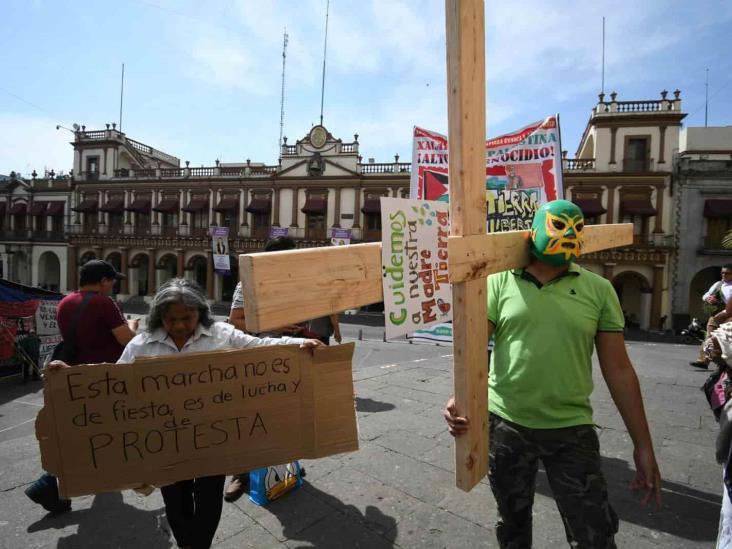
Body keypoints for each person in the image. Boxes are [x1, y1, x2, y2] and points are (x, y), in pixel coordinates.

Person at [443, 199, 661, 549]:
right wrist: (460, 396)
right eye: (559, 226)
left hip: (572, 430)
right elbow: (473, 350)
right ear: (532, 233)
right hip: (506, 424)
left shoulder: (599, 290)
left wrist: (644, 446)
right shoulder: (499, 283)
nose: (568, 235)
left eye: (576, 229)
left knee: (594, 534)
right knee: (512, 524)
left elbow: (619, 371)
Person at [115, 278, 323, 549]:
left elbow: (259, 348)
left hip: (213, 438)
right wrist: (67, 376)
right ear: (159, 317)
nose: (179, 326)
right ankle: (187, 544)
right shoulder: (142, 344)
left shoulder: (224, 335)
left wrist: (298, 346)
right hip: (165, 442)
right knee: (174, 497)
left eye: (186, 318)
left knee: (208, 494)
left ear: (200, 313)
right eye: (171, 319)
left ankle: (199, 545)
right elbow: (113, 381)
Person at [25, 259, 137, 514]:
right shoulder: (103, 302)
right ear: (103, 281)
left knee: (84, 430)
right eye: (111, 281)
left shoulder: (66, 301)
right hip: (101, 378)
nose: (112, 286)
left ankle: (61, 480)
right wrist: (132, 326)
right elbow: (125, 339)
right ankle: (48, 481)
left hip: (74, 375)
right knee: (95, 433)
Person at [225, 235, 309, 502]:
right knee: (248, 416)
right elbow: (235, 321)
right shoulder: (248, 284)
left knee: (281, 414)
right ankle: (240, 473)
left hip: (283, 356)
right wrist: (274, 324)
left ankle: (283, 465)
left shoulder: (292, 284)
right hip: (254, 357)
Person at [692, 265, 732, 369]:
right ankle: (704, 361)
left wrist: (724, 311)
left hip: (728, 317)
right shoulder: (718, 284)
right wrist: (708, 298)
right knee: (709, 337)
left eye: (727, 273)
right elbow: (706, 295)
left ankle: (724, 362)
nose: (724, 275)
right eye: (722, 273)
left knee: (725, 340)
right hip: (715, 315)